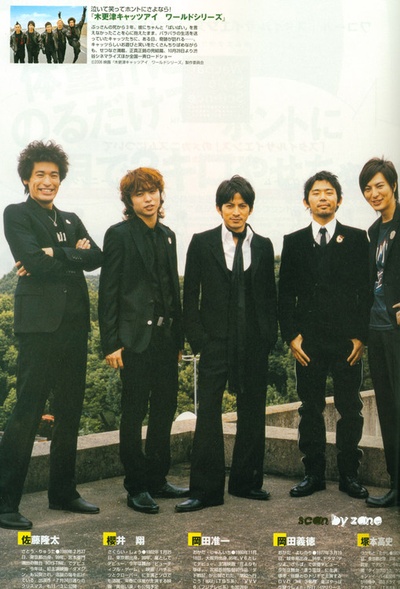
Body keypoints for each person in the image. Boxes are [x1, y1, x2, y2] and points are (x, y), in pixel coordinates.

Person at [0, 140, 102, 530]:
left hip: (75, 325)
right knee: (27, 411)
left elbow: (97, 257)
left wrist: (55, 253)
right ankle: (5, 502)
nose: (48, 181)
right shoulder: (16, 213)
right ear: (27, 179)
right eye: (40, 174)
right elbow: (32, 262)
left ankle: (63, 492)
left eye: (54, 175)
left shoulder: (71, 219)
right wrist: (69, 255)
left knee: (70, 411)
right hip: (39, 328)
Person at [175, 175, 278, 513]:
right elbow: (190, 297)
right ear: (219, 208)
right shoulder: (202, 242)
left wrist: (268, 336)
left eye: (242, 205)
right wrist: (200, 340)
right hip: (215, 342)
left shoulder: (262, 245)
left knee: (253, 411)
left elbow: (269, 295)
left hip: (254, 342)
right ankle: (205, 491)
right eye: (230, 205)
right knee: (208, 412)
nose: (236, 211)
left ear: (250, 209)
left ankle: (247, 482)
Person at [98, 167, 188, 515]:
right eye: (139, 193)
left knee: (165, 409)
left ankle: (157, 478)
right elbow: (109, 292)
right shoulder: (119, 235)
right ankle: (136, 486)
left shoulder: (168, 235)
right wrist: (110, 343)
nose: (148, 199)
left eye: (152, 192)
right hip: (133, 340)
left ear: (161, 195)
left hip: (165, 339)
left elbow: (172, 290)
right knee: (134, 412)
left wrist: (179, 339)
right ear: (129, 200)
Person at [278, 171, 370, 499]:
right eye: (316, 193)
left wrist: (360, 336)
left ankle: (349, 475)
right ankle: (313, 474)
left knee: (351, 408)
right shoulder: (293, 242)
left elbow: (365, 292)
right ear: (307, 201)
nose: (323, 197)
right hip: (309, 342)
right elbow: (285, 294)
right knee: (310, 408)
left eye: (329, 192)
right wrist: (291, 336)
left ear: (339, 199)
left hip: (347, 342)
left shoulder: (357, 239)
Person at [359, 157, 400, 507]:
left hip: (397, 330)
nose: (374, 193)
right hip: (377, 330)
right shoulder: (373, 232)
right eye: (368, 188)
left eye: (380, 186)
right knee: (387, 409)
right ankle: (396, 483)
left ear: (394, 186)